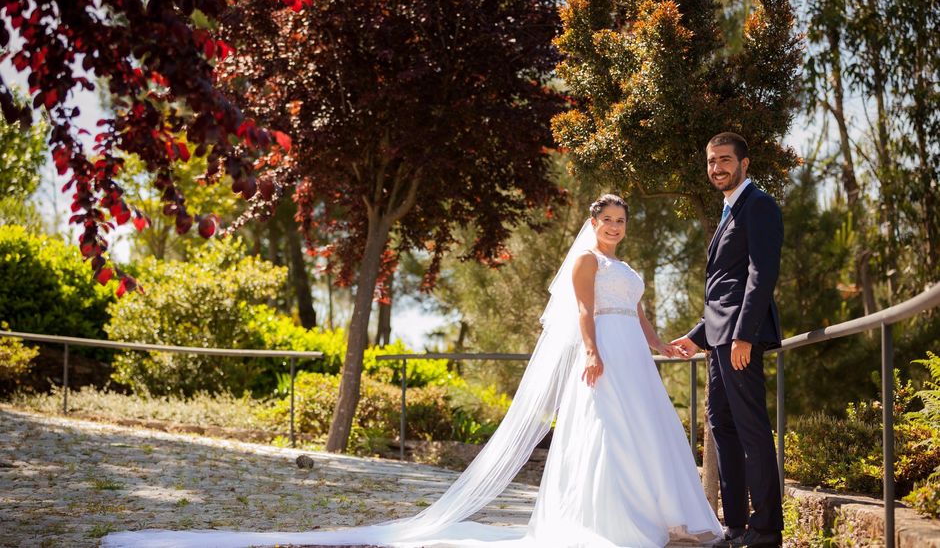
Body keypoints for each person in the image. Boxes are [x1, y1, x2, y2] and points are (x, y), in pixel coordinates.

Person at [104, 195, 722, 548]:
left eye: (620, 223)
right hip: (602, 357)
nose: (614, 229)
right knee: (608, 437)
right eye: (607, 222)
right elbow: (585, 312)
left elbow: (639, 311)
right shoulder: (586, 262)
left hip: (635, 357)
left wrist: (659, 345)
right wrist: (591, 351)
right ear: (592, 224)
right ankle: (615, 523)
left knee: (650, 432)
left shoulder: (627, 265)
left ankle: (673, 519)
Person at [672, 132, 785, 548]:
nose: (716, 167)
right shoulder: (727, 210)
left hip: (740, 337)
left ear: (744, 164)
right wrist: (697, 336)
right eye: (711, 161)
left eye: (724, 159)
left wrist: (744, 334)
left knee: (752, 429)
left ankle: (766, 528)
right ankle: (735, 524)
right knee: (722, 426)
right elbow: (725, 285)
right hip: (719, 338)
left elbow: (760, 275)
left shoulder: (760, 206)